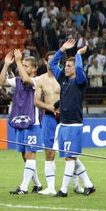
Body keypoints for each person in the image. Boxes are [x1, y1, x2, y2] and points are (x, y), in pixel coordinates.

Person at [50, 39, 97, 197]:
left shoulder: (80, 81)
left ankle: (63, 190)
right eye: (66, 66)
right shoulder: (63, 78)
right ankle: (89, 185)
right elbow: (52, 65)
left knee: (70, 158)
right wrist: (62, 48)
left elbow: (79, 68)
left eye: (69, 66)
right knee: (72, 157)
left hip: (74, 124)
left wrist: (77, 55)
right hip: (63, 124)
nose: (66, 68)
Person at [0, 49, 44, 194]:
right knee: (25, 155)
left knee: (30, 154)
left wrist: (18, 61)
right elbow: (1, 82)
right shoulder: (17, 81)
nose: (22, 67)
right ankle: (37, 184)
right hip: (20, 122)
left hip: (32, 123)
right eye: (22, 65)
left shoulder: (37, 80)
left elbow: (26, 79)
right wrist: (6, 65)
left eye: (26, 65)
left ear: (34, 69)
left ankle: (23, 187)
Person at [34, 52, 64, 195]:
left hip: (64, 118)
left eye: (56, 60)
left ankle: (78, 184)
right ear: (45, 62)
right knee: (49, 152)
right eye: (51, 61)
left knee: (70, 152)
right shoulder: (41, 80)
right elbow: (36, 101)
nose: (53, 63)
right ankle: (51, 187)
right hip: (48, 118)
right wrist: (50, 107)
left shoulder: (63, 77)